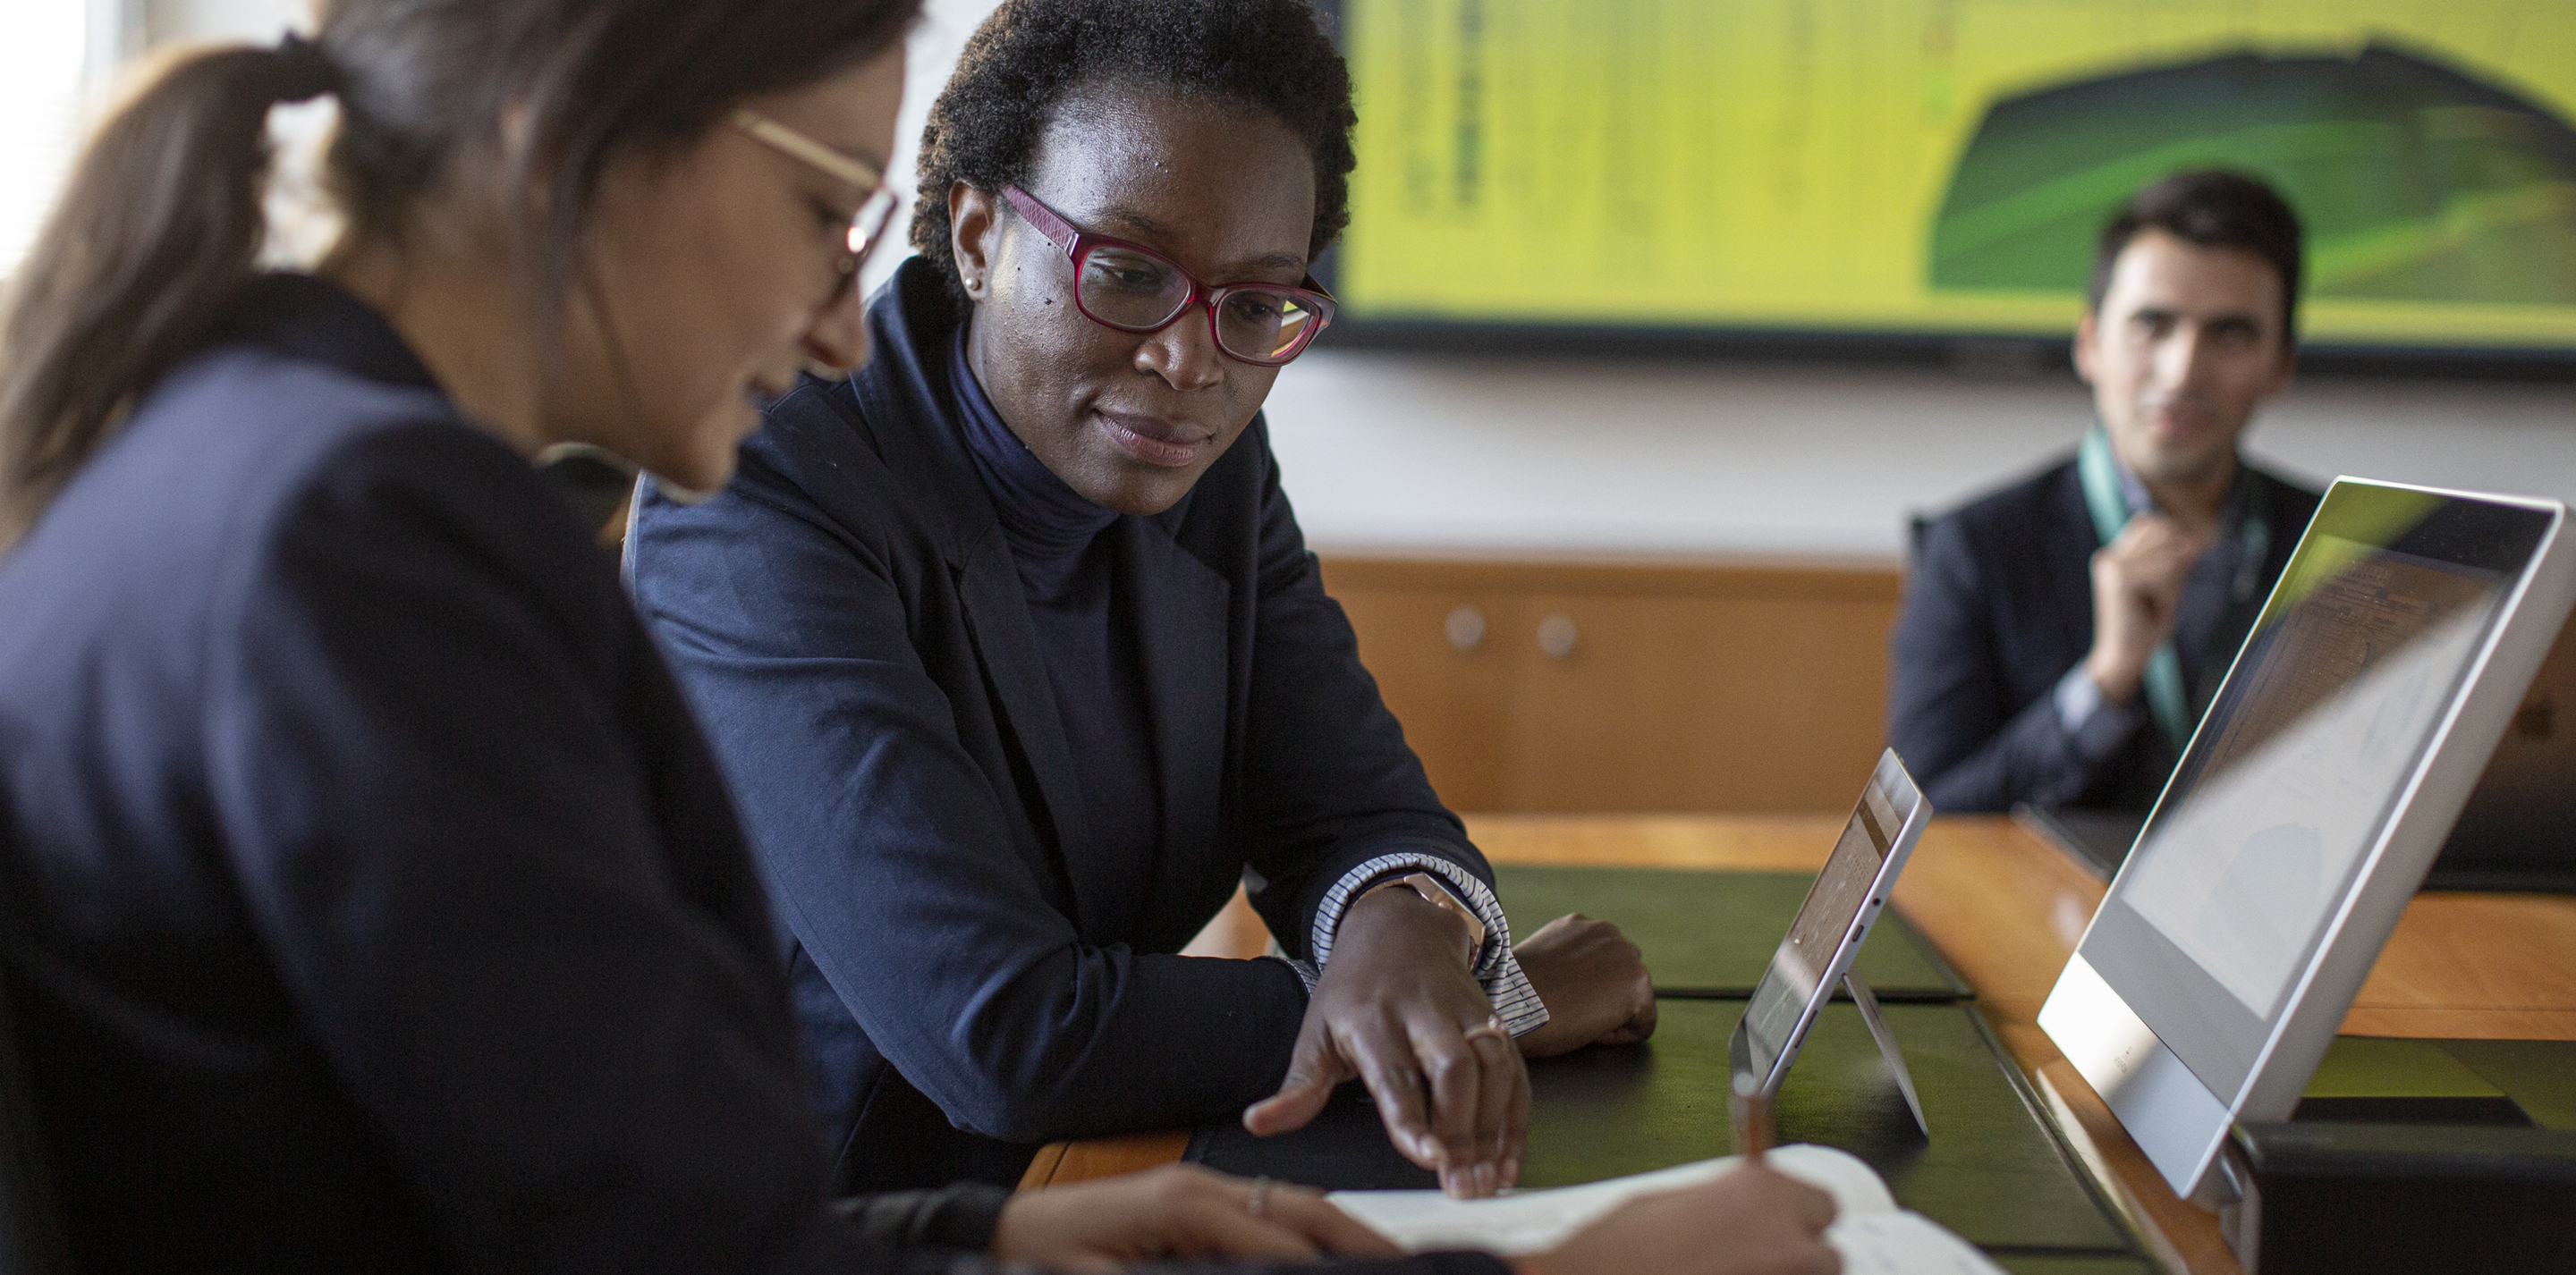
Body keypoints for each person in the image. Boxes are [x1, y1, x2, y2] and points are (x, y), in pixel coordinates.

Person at [0, 3, 1842, 1272]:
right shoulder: (381, 537)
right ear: (577, 141)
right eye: (827, 211)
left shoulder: (255, 456)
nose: (829, 318)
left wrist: (992, 1235)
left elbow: (591, 1213)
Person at [626, 0, 1657, 1203]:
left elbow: (1358, 809)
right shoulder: (766, 483)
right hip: (827, 1216)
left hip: (1113, 1170)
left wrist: (1404, 920)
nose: (1192, 361)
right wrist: (1482, 1008)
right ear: (974, 234)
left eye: (1259, 305)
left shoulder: (1199, 460)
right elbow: (1003, 1029)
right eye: (1125, 271)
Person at [1889, 171, 2323, 816]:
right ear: (2090, 344)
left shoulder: (2342, 543)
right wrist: (2106, 681)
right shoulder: (1974, 550)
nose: (2182, 373)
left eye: (2230, 334)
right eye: (2153, 325)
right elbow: (1924, 822)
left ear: (2281, 366)